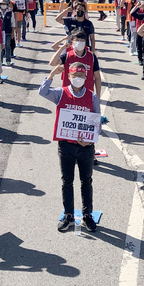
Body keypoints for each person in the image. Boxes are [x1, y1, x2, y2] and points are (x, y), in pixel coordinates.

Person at [39, 63, 101, 233]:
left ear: (86, 76)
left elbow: (97, 122)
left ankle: (88, 215)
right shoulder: (61, 93)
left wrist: (89, 141)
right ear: (69, 76)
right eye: (75, 75)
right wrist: (52, 73)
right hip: (66, 146)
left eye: (81, 75)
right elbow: (42, 92)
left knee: (86, 181)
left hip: (85, 148)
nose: (78, 78)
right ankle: (68, 215)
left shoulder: (92, 96)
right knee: (67, 181)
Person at [0, 0, 15, 66]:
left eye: (4, 4)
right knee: (0, 47)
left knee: (8, 46)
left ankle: (8, 60)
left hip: (8, 32)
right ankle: (0, 60)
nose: (3, 5)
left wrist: (13, 32)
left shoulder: (10, 12)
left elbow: (13, 23)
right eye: (2, 4)